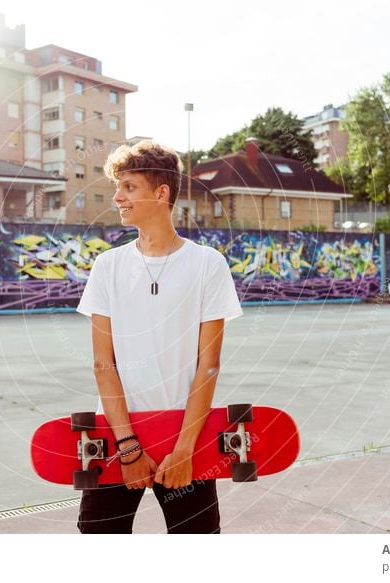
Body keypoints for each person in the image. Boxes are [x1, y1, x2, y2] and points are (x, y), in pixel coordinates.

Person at [75, 140, 243, 534]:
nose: (117, 197)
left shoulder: (207, 265)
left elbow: (209, 364)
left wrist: (184, 450)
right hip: (115, 436)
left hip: (186, 436)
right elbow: (103, 364)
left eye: (129, 187)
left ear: (161, 192)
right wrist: (128, 447)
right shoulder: (108, 266)